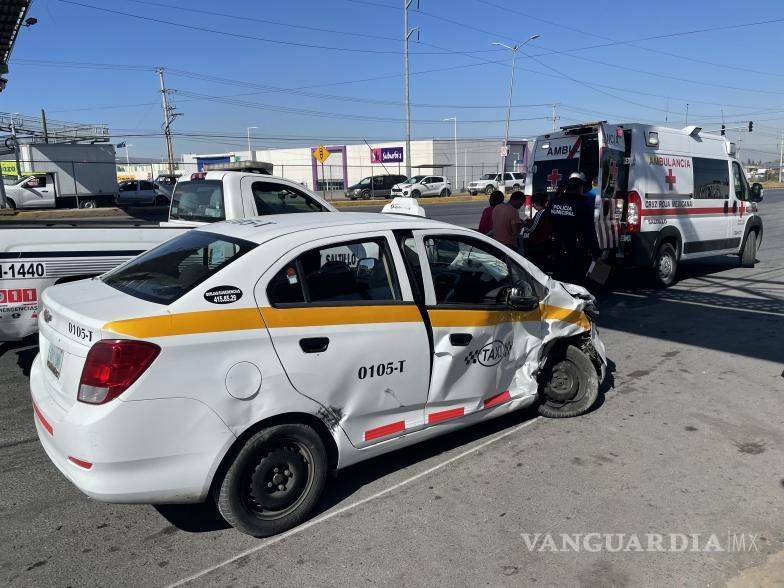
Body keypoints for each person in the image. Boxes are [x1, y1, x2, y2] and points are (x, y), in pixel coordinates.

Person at [548, 171, 597, 282]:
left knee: (558, 277)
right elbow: (588, 231)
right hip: (576, 249)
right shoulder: (582, 206)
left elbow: (547, 221)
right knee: (575, 279)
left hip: (556, 247)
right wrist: (595, 251)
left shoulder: (554, 202)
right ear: (579, 188)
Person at [523, 192, 552, 270]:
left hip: (539, 243)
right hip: (544, 241)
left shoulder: (540, 213)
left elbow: (531, 229)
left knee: (537, 264)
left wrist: (523, 226)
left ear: (536, 203)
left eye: (533, 203)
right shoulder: (547, 212)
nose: (532, 205)